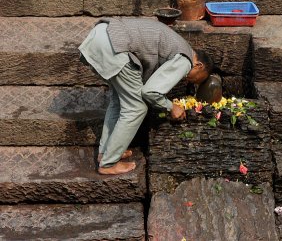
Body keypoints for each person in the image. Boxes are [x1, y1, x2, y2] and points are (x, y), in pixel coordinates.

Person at [78, 18, 213, 175]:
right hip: (115, 46)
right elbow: (150, 92)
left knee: (119, 101)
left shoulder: (179, 44)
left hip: (100, 35)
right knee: (136, 107)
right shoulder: (186, 60)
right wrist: (171, 107)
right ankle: (108, 164)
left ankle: (107, 152)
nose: (190, 81)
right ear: (199, 66)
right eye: (197, 79)